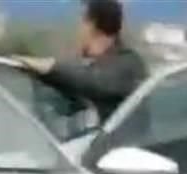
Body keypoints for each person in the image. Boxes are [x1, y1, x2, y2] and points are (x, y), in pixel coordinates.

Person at [16, 0, 147, 123]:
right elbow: (71, 96)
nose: (77, 29)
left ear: (93, 25)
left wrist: (51, 66)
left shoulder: (128, 64)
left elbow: (93, 81)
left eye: (81, 22)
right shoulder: (95, 66)